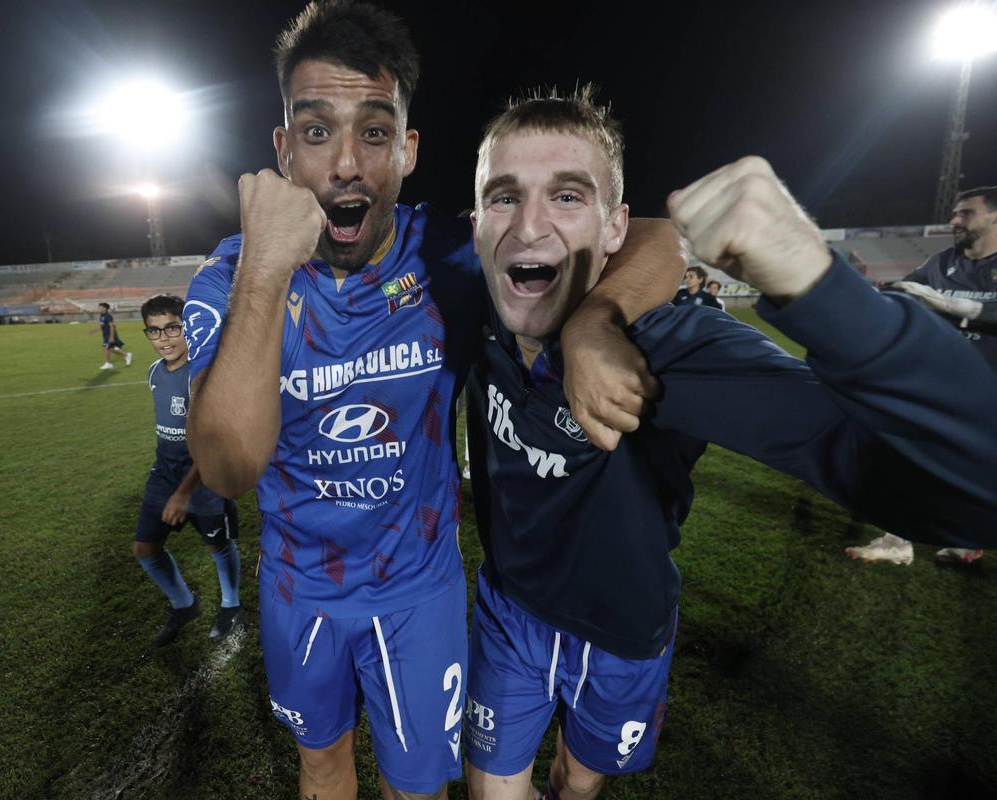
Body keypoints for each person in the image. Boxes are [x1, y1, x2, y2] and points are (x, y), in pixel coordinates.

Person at [181, 4, 682, 798]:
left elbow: (663, 236)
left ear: (407, 150)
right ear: (280, 150)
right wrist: (267, 272)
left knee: (418, 787)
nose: (346, 163)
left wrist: (594, 321)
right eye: (315, 132)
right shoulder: (232, 280)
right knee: (321, 766)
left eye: (374, 133)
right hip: (296, 590)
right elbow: (227, 466)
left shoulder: (447, 257)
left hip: (419, 592)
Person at [461, 92, 997, 800]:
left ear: (613, 225)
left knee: (577, 784)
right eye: (504, 197)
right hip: (508, 611)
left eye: (566, 196)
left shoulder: (670, 349)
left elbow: (972, 495)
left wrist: (822, 289)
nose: (528, 224)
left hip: (623, 632)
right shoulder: (476, 301)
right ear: (475, 223)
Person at [846, 186, 997, 567]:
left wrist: (954, 306)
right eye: (955, 213)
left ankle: (966, 538)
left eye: (965, 213)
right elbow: (900, 292)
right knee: (909, 458)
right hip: (942, 384)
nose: (954, 220)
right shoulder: (941, 262)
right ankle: (897, 541)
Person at [135, 294, 242, 645]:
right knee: (145, 548)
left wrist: (183, 494)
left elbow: (212, 441)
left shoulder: (202, 375)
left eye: (172, 328)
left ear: (187, 328)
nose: (163, 339)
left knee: (217, 544)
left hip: (204, 476)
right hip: (164, 472)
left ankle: (231, 604)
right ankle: (184, 604)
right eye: (154, 331)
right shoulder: (153, 372)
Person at [95, 302, 132, 370]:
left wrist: (111, 337)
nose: (99, 309)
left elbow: (112, 326)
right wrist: (94, 330)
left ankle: (108, 363)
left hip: (110, 334)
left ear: (105, 308)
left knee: (106, 348)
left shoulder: (108, 316)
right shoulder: (102, 316)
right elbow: (102, 326)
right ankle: (126, 355)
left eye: (100, 307)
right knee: (111, 349)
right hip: (106, 335)